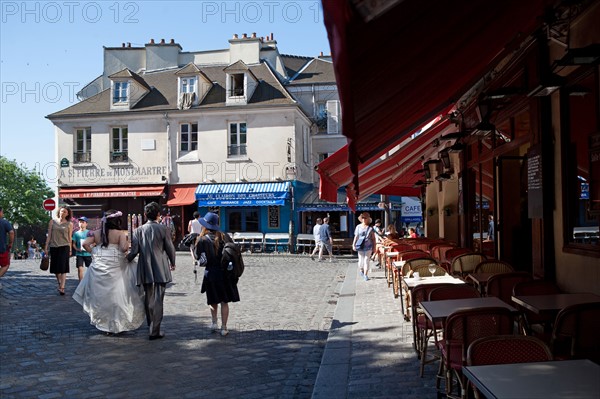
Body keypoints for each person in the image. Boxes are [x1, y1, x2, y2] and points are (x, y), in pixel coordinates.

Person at [73, 210, 145, 334]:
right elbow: (123, 248)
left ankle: (105, 324)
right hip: (116, 265)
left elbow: (85, 244)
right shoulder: (120, 233)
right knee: (119, 294)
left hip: (100, 265)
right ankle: (117, 323)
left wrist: (94, 252)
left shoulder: (96, 233)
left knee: (102, 296)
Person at [127, 202, 176, 340]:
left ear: (144, 215)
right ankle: (155, 330)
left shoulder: (138, 230)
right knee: (158, 299)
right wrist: (172, 262)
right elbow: (170, 248)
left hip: (145, 267)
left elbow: (134, 251)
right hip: (160, 267)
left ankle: (151, 326)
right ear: (159, 215)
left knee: (148, 298)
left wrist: (125, 260)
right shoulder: (163, 229)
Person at [195, 212, 240, 336]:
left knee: (212, 300)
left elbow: (202, 261)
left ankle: (214, 322)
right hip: (225, 274)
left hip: (211, 274)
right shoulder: (225, 237)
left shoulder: (202, 240)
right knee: (224, 302)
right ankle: (224, 327)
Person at [44, 206, 73, 295]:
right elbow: (49, 235)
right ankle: (59, 282)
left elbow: (69, 237)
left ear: (67, 214)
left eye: (65, 212)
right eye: (62, 211)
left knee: (63, 268)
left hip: (64, 246)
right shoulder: (52, 222)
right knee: (55, 268)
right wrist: (46, 246)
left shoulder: (69, 224)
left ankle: (62, 287)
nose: (63, 213)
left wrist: (70, 249)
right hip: (54, 246)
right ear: (59, 212)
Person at [352, 212, 376, 281]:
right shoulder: (358, 227)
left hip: (368, 247)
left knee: (366, 260)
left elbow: (373, 239)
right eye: (363, 218)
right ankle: (361, 270)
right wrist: (353, 244)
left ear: (368, 219)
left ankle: (365, 274)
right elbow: (356, 236)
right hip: (360, 246)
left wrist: (374, 247)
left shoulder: (370, 228)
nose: (364, 219)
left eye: (365, 218)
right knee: (360, 261)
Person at [72, 217, 92, 281]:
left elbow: (93, 242)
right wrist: (77, 249)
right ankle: (80, 283)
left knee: (90, 269)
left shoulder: (89, 233)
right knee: (80, 268)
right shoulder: (76, 233)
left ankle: (90, 281)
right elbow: (73, 244)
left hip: (88, 254)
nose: (81, 223)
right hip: (79, 254)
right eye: (80, 222)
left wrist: (90, 247)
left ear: (86, 224)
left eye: (83, 222)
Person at [0, 206, 15, 280]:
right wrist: (10, 243)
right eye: (2, 212)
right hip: (1, 248)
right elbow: (11, 233)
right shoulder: (4, 222)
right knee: (5, 265)